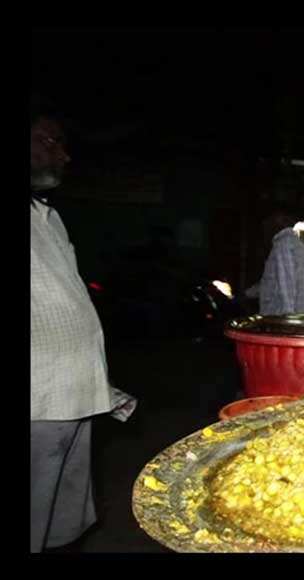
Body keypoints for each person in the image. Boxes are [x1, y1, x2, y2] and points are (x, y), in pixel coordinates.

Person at [31, 96, 114, 551]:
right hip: (37, 402)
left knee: (61, 521)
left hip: (76, 393)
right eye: (50, 142)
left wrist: (101, 381)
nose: (63, 155)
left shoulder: (49, 217)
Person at [245, 207, 304, 316]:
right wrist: (248, 293)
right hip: (300, 313)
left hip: (280, 317)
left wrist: (288, 315)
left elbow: (287, 281)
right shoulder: (299, 245)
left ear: (279, 220)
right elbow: (273, 282)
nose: (265, 226)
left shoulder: (283, 243)